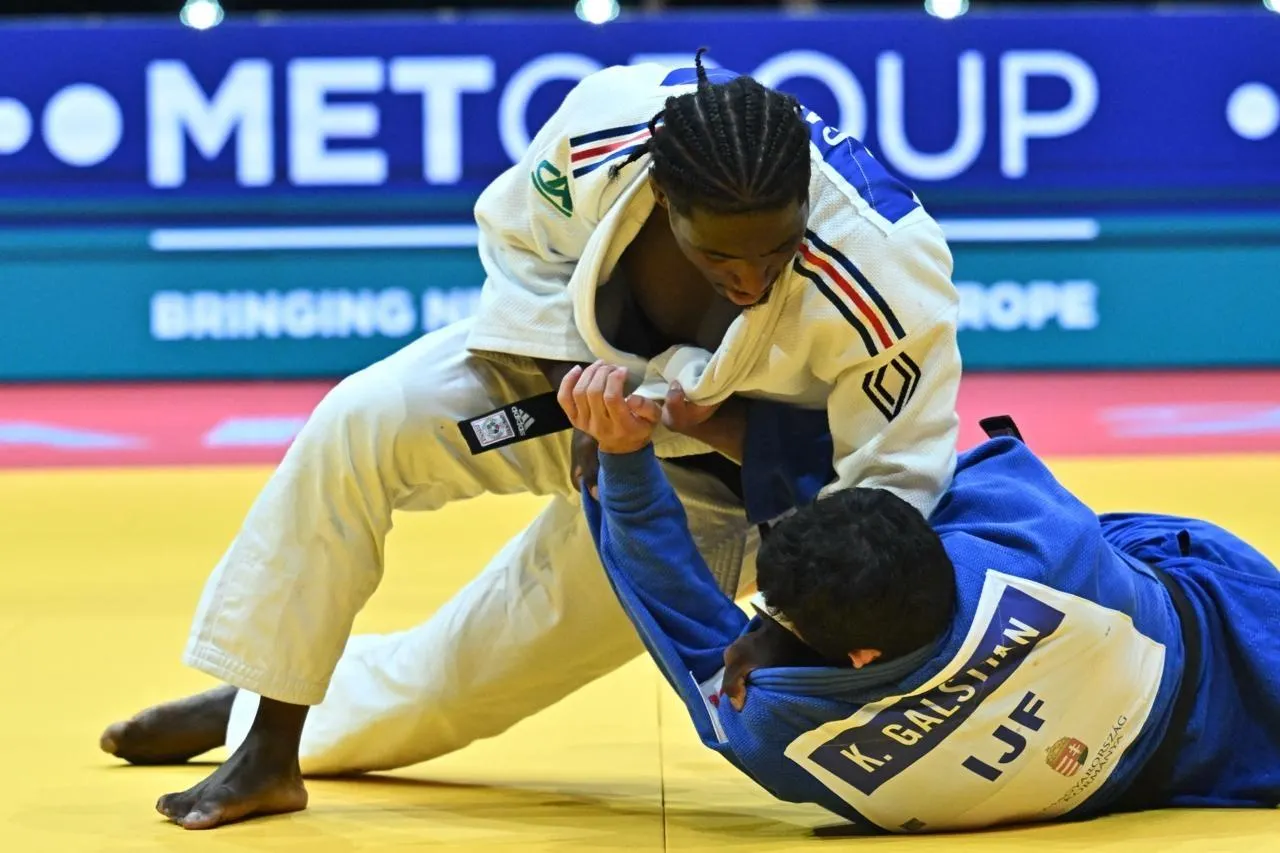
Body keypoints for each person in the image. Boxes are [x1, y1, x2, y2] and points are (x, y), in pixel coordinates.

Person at [100, 52, 963, 829]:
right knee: (362, 420)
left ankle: (262, 702)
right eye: (718, 258)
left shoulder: (887, 271)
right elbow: (522, 244)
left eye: (775, 252)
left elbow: (892, 485)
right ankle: (271, 725)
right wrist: (569, 383)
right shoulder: (606, 128)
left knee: (465, 675)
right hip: (573, 384)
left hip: (718, 490)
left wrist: (783, 622)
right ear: (665, 198)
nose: (749, 280)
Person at [564, 361, 1280, 834]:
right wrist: (726, 429)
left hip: (1140, 771)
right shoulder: (1038, 537)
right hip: (1229, 644)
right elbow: (909, 467)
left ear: (859, 655)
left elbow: (675, 606)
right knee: (1126, 544)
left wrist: (620, 464)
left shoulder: (784, 732)